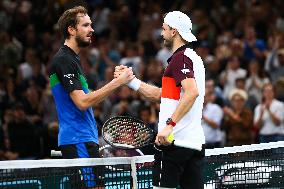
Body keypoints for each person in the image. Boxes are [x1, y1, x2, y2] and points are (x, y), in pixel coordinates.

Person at [115, 11, 205, 189]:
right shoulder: (194, 58)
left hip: (173, 143)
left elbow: (191, 92)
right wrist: (131, 81)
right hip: (193, 145)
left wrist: (170, 125)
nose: (161, 34)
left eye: (164, 29)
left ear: (174, 32)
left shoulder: (181, 58)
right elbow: (160, 96)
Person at [48, 6, 133, 188]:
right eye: (86, 25)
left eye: (91, 25)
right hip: (77, 139)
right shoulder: (63, 60)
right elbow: (82, 102)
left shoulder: (74, 60)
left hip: (86, 139)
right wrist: (118, 82)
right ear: (71, 30)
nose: (92, 29)